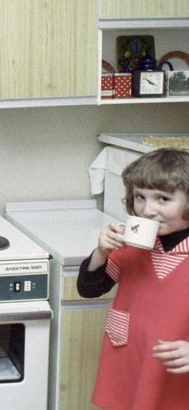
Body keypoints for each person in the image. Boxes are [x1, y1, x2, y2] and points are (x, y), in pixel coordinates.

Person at [77, 147, 189, 409]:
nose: (148, 210)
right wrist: (101, 253)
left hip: (176, 375)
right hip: (129, 365)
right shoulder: (132, 245)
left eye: (163, 199)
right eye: (140, 197)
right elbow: (89, 289)